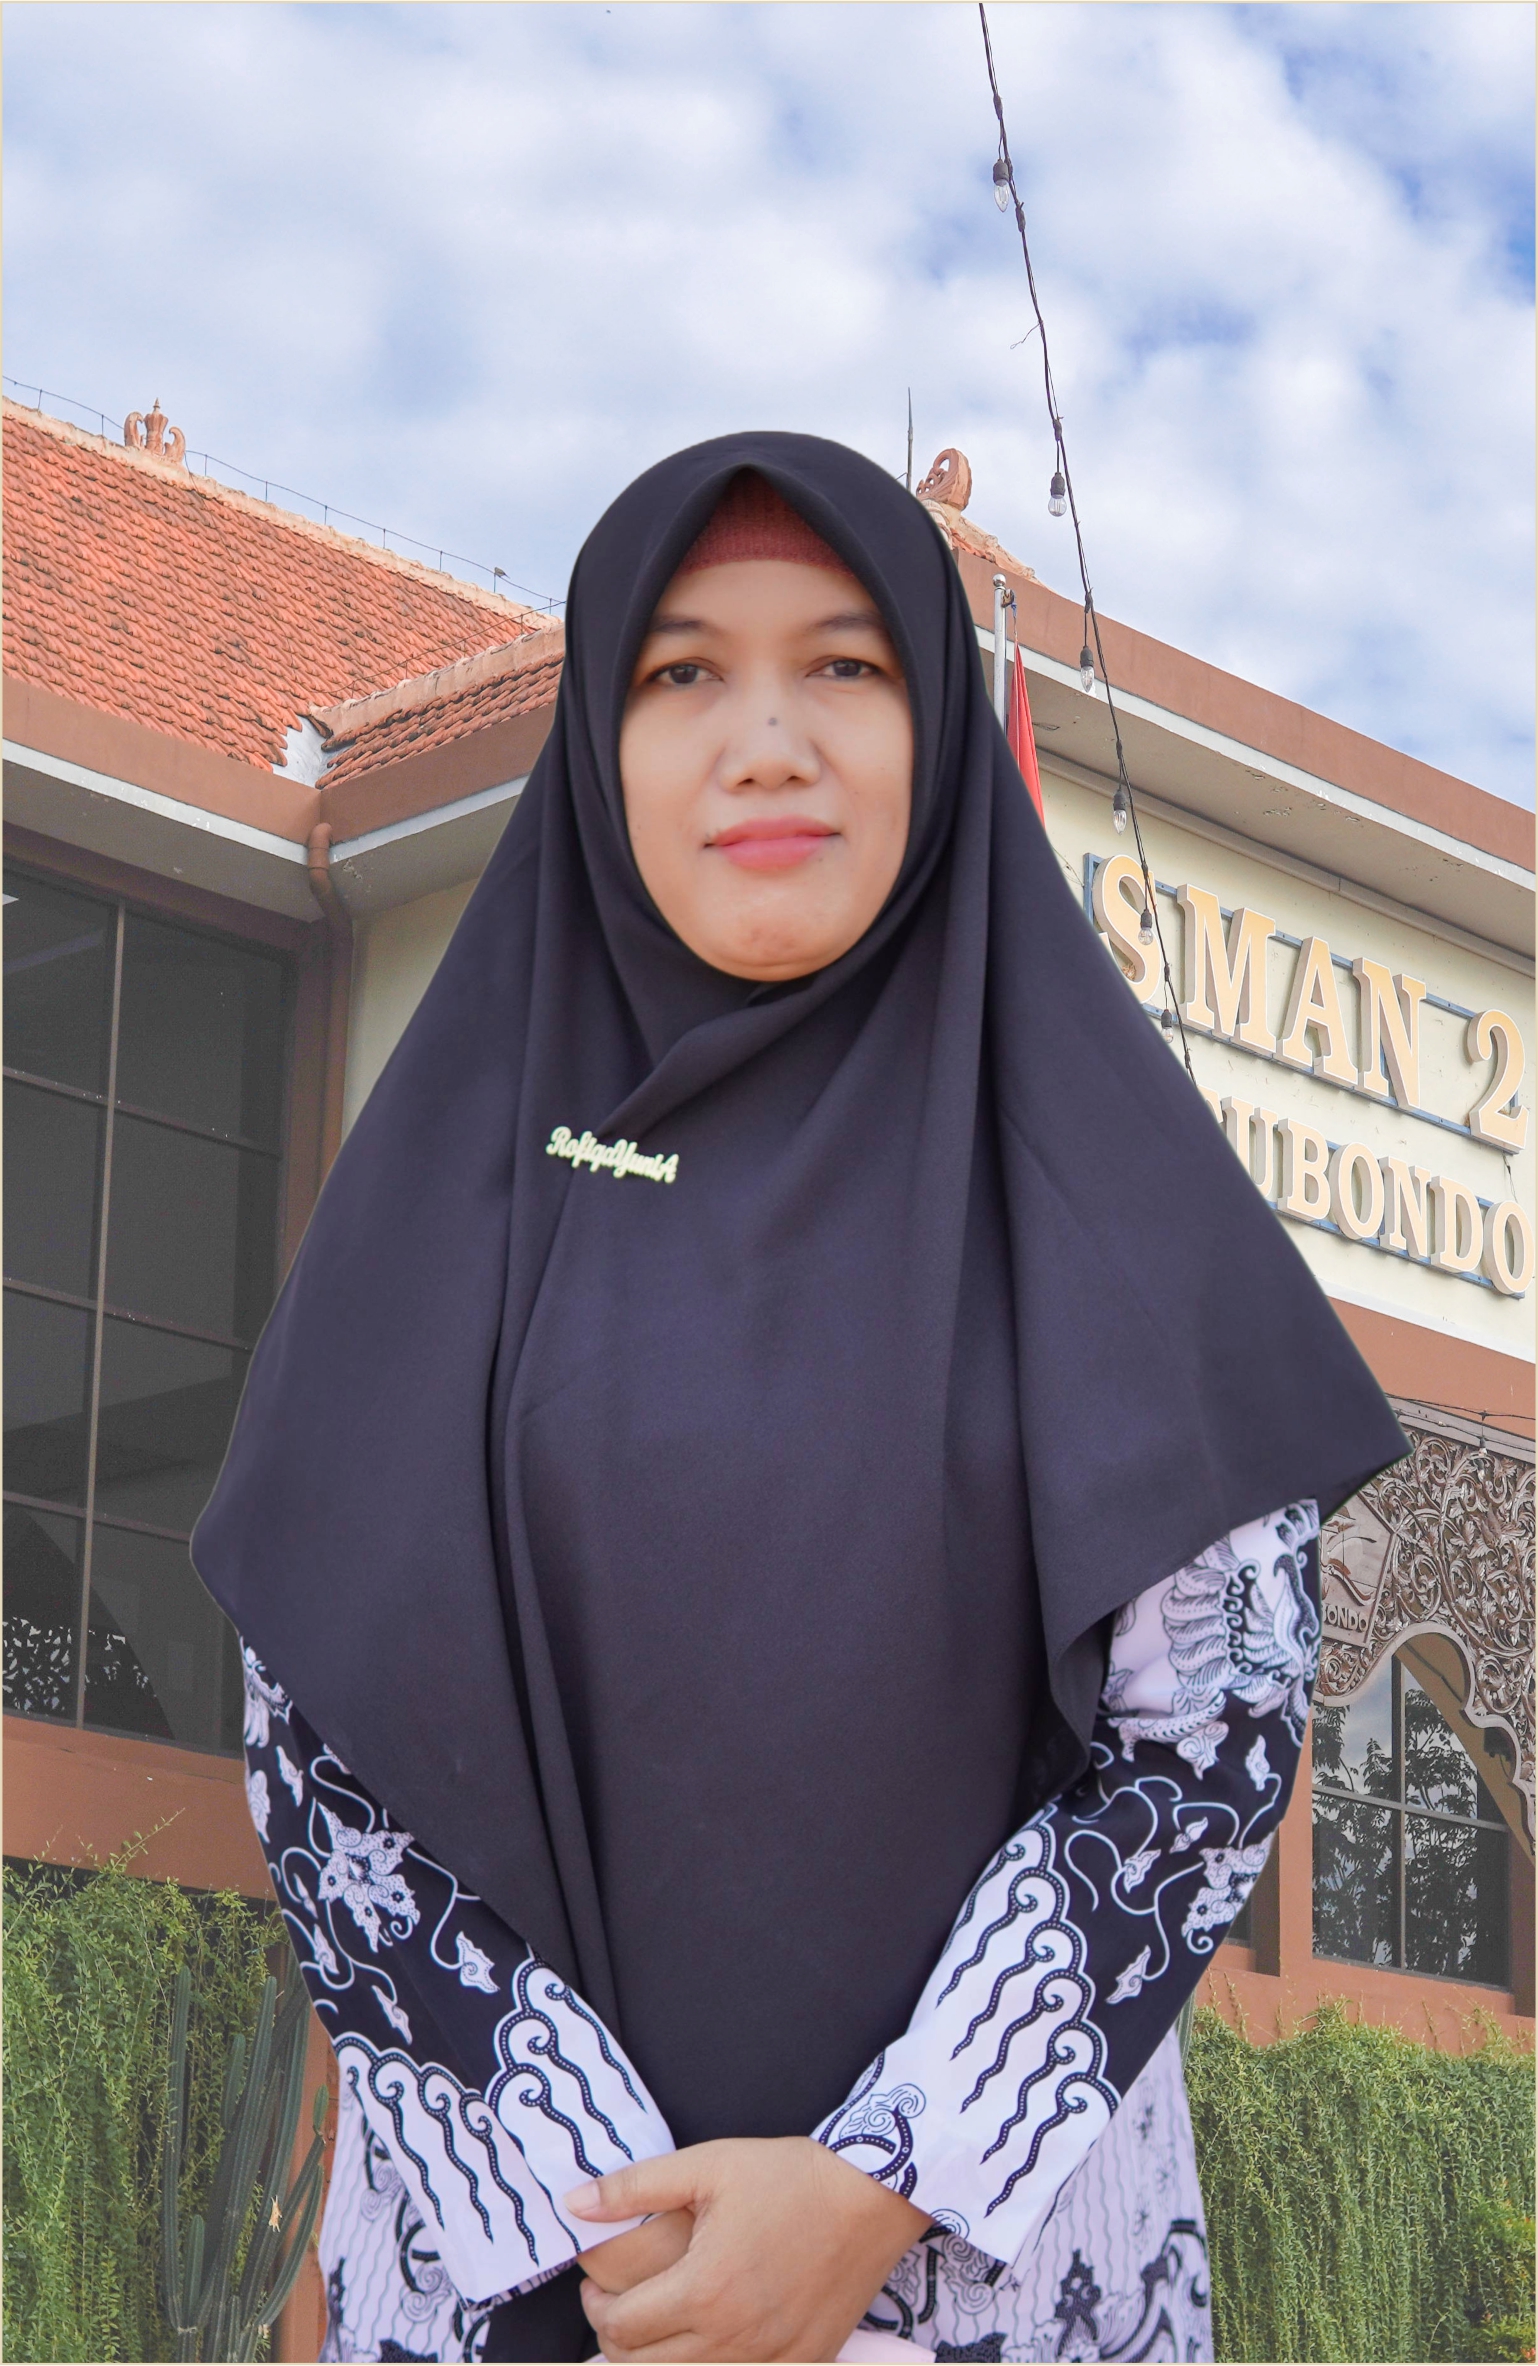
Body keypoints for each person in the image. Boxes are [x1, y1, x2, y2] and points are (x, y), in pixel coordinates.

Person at [192, 436, 1406, 2365]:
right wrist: (621, 2241)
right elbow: (325, 1737)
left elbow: (1207, 1732)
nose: (766, 742)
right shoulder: (445, 1192)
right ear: (599, 741)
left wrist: (872, 2186)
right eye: (684, 671)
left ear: (939, 731)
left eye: (845, 665)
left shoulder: (1103, 1186)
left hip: (999, 2281)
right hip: (527, 2289)